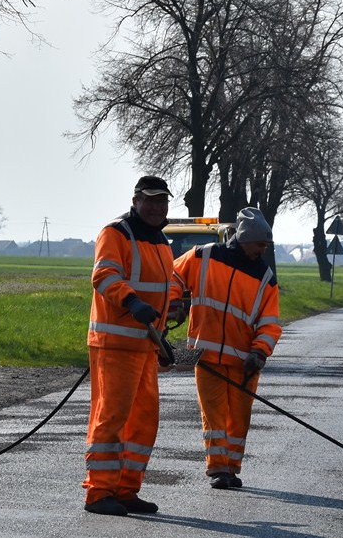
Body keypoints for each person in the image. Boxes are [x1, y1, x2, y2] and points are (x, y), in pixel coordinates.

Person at [82, 175, 177, 517]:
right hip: (115, 344)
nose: (156, 207)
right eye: (150, 200)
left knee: (144, 421)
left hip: (145, 347)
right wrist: (131, 301)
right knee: (111, 417)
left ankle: (125, 489)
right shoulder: (116, 232)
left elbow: (164, 293)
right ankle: (99, 492)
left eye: (162, 201)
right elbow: (104, 275)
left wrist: (161, 336)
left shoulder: (161, 242)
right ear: (135, 200)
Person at [170, 206, 281, 490]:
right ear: (244, 239)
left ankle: (232, 468)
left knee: (239, 418)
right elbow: (173, 276)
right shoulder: (203, 255)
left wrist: (259, 352)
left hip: (245, 361)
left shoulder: (265, 277)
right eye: (259, 244)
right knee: (214, 415)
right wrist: (175, 303)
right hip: (203, 356)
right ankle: (218, 469)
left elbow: (270, 324)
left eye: (266, 245)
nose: (263, 250)